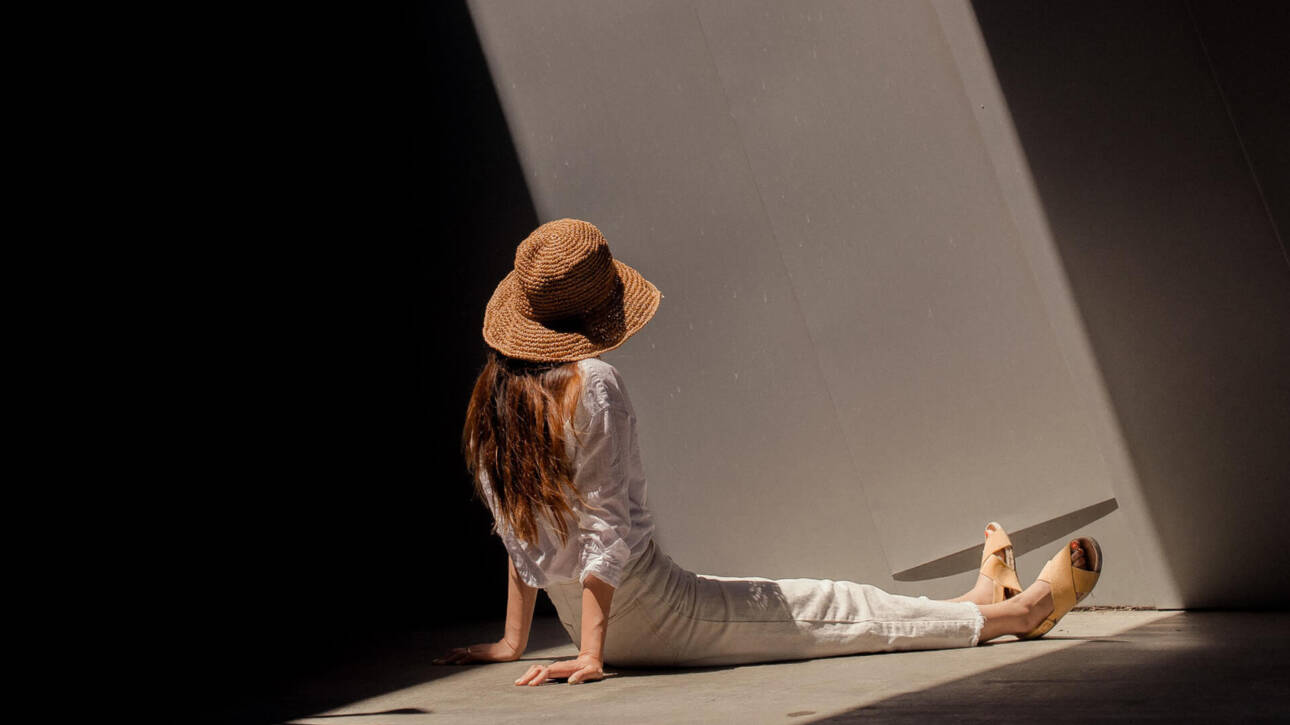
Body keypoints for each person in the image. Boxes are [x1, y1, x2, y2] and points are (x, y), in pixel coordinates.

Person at [434, 219, 1103, 686]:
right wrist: (593, 654)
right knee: (833, 607)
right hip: (649, 610)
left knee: (832, 608)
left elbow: (519, 531)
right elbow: (604, 529)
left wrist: (516, 641)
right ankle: (1021, 613)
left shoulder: (494, 396)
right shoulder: (594, 383)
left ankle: (980, 600)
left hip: (601, 617)